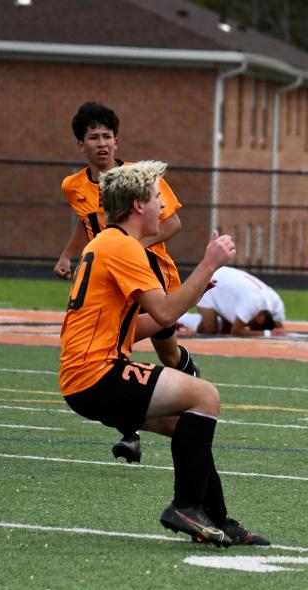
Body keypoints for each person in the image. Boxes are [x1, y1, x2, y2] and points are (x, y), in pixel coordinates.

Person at [59, 161, 269, 546]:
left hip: (86, 374)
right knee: (205, 395)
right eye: (157, 198)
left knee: (184, 423)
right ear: (138, 205)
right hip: (96, 374)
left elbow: (136, 326)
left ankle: (217, 521)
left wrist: (195, 289)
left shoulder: (107, 243)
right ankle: (186, 507)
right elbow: (169, 313)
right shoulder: (122, 246)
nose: (162, 206)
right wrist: (208, 264)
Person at [55, 102, 198, 465]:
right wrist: (67, 255)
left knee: (168, 351)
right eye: (93, 137)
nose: (101, 143)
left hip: (149, 271)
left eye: (107, 136)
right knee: (111, 344)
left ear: (117, 142)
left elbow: (172, 224)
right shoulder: (73, 186)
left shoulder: (141, 176)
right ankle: (131, 432)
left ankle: (190, 383)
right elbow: (85, 225)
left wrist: (129, 246)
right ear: (80, 145)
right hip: (109, 281)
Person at [177, 266, 286, 337]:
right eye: (249, 324)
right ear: (260, 318)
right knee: (209, 330)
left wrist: (278, 331)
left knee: (226, 329)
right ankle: (182, 318)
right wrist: (267, 333)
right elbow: (236, 331)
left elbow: (279, 327)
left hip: (223, 282)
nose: (246, 324)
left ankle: (215, 319)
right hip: (210, 281)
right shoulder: (253, 302)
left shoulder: (277, 304)